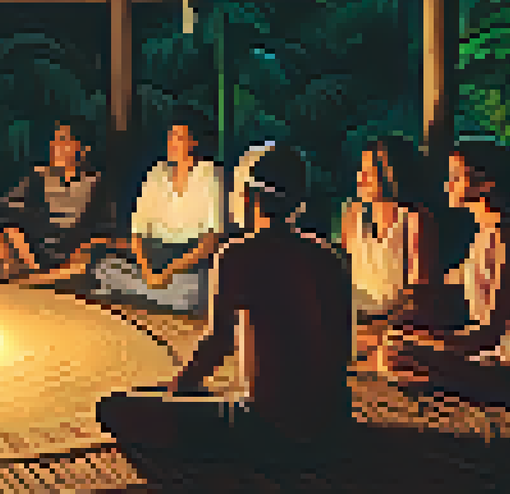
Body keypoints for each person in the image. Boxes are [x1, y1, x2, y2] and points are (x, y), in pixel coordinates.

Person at [96, 144, 353, 468]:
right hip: (334, 423)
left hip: (270, 429)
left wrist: (174, 393)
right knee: (185, 395)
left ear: (247, 196)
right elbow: (344, 348)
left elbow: (216, 344)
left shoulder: (238, 254)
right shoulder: (329, 257)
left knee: (115, 408)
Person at [379, 138, 510, 401]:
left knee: (398, 353)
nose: (447, 185)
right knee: (394, 346)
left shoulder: (509, 238)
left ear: (486, 184)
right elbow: (440, 285)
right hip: (489, 361)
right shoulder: (485, 234)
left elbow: (488, 335)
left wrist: (422, 342)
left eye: (456, 177)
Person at [94, 108, 225, 314]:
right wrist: (147, 270)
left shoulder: (210, 174)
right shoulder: (156, 173)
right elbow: (137, 232)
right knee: (102, 266)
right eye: (171, 137)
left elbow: (211, 240)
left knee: (199, 289)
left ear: (194, 142)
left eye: (179, 137)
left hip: (188, 261)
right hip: (154, 254)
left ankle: (144, 292)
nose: (172, 143)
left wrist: (170, 270)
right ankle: (157, 293)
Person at [341, 136, 451, 367]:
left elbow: (420, 294)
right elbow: (343, 274)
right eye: (360, 171)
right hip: (359, 321)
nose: (359, 179)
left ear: (390, 175)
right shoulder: (352, 216)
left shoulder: (415, 220)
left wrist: (381, 325)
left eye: (368, 173)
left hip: (401, 325)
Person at [0, 121, 125, 285]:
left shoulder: (98, 185)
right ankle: (31, 274)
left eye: (64, 141)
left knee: (94, 260)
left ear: (83, 149)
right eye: (55, 141)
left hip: (73, 254)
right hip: (35, 251)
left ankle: (33, 280)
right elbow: (5, 214)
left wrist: (89, 246)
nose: (56, 147)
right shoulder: (37, 177)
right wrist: (21, 246)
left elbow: (107, 231)